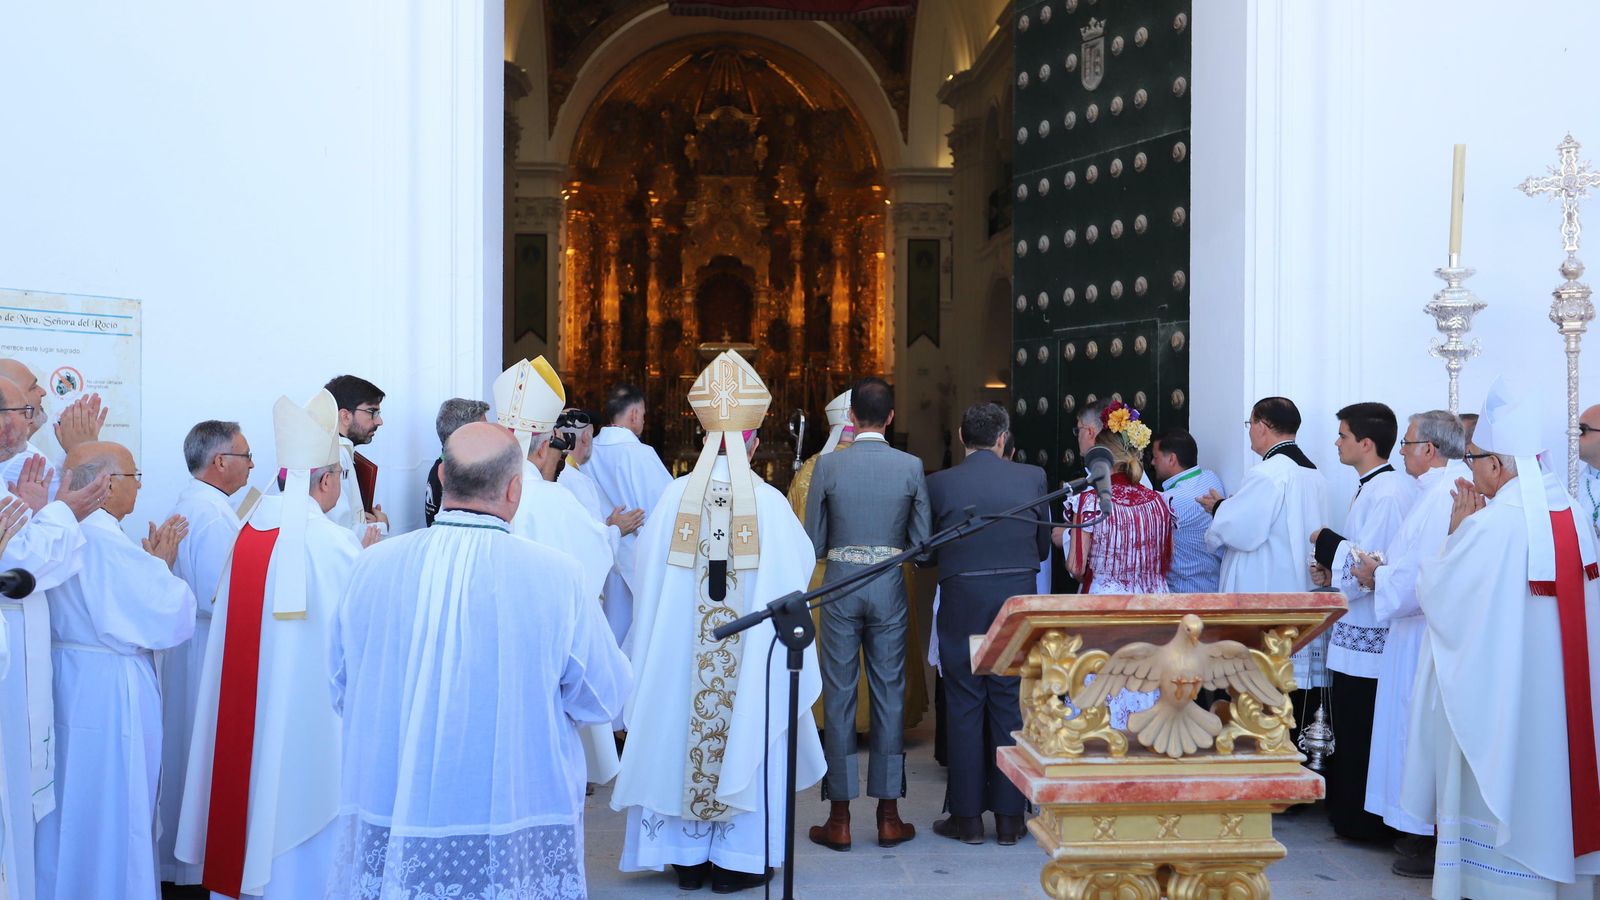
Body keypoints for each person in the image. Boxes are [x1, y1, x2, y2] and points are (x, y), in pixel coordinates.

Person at [328, 422, 629, 896]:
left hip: (398, 801)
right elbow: (602, 698)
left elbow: (341, 685)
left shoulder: (370, 566)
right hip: (513, 809)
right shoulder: (559, 578)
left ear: (444, 479)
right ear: (516, 488)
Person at [612, 352, 822, 893]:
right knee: (749, 721)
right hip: (748, 662)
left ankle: (685, 858)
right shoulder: (772, 505)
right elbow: (799, 570)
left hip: (682, 657)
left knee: (678, 724)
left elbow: (645, 573)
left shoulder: (671, 499)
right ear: (751, 442)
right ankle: (738, 861)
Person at [1402, 379, 1600, 898]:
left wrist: (1456, 532)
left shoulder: (1492, 526)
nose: (1469, 469)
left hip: (1506, 702)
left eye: (1472, 458)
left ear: (1497, 464)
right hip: (1564, 698)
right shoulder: (1575, 517)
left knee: (1506, 775)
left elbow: (1438, 595)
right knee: (1556, 773)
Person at [175, 391, 363, 898]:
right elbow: (362, 632)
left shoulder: (247, 530)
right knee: (305, 799)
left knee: (253, 784)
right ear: (325, 480)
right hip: (313, 716)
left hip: (248, 706)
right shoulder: (333, 543)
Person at [34, 441, 195, 900]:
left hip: (67, 676)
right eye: (134, 476)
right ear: (105, 484)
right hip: (108, 688)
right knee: (113, 798)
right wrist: (162, 568)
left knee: (70, 799)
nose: (141, 486)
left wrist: (150, 568)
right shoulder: (103, 537)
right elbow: (168, 616)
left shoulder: (63, 527)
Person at [804, 377, 929, 852]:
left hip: (839, 586)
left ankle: (838, 819)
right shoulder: (911, 466)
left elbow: (814, 541)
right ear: (892, 417)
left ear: (852, 417)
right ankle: (889, 816)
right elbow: (921, 545)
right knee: (889, 694)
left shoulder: (829, 466)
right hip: (889, 588)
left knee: (838, 695)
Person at [924, 402, 1051, 846]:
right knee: (1007, 703)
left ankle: (967, 819)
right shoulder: (1031, 477)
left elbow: (925, 552)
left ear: (962, 437)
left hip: (962, 601)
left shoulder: (939, 484)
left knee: (962, 705)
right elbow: (1041, 550)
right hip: (1012, 602)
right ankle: (1011, 820)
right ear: (1003, 439)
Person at [0, 379, 108, 900]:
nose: (18, 422)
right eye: (22, 408)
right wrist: (63, 511)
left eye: (24, 410)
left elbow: (40, 563)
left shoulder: (23, 472)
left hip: (23, 645)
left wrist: (49, 511)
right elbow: (22, 569)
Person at [1348, 409, 1468, 877]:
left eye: (1408, 443)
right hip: (1412, 632)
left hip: (1423, 633)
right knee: (1404, 729)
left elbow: (1424, 572)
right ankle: (1413, 826)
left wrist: (1379, 575)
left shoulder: (1444, 495)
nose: (1401, 451)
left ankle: (1422, 830)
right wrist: (1384, 569)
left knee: (1412, 732)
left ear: (1430, 451)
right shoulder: (1432, 491)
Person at [496, 358, 623, 784]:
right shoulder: (554, 501)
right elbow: (591, 559)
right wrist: (613, 534)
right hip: (545, 651)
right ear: (539, 446)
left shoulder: (478, 494)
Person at [1307, 402, 1418, 841]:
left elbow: (1374, 562)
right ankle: (1350, 812)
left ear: (1366, 444)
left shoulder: (1388, 492)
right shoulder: (1370, 487)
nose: (1337, 442)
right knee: (1351, 723)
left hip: (1372, 630)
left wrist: (1326, 544)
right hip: (1357, 628)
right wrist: (1329, 569)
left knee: (1364, 725)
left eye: (1343, 435)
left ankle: (1365, 821)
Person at [157, 419, 254, 887]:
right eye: (246, 455)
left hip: (191, 644)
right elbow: (224, 594)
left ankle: (185, 858)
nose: (253, 464)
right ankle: (196, 863)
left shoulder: (198, 504)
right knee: (202, 751)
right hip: (207, 645)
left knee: (187, 749)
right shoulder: (213, 515)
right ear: (220, 462)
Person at [1202, 397, 1328, 689]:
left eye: (1250, 423)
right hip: (1301, 589)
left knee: (1257, 686)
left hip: (1267, 589)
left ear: (1262, 426)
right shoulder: (1315, 475)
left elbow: (1241, 530)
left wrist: (1219, 508)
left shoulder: (1268, 473)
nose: (1249, 431)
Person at [1063, 406, 1174, 729]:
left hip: (1106, 610)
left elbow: (1076, 567)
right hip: (1153, 607)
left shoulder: (1090, 501)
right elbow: (1165, 559)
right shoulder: (1159, 502)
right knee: (1145, 692)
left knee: (1101, 701)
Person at [584, 382, 673, 650]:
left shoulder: (588, 452)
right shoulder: (641, 455)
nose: (643, 420)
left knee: (608, 633)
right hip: (638, 560)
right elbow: (666, 509)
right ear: (634, 414)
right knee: (637, 639)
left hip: (601, 555)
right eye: (643, 415)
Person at [0, 359, 107, 497]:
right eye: (33, 387)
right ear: (12, 396)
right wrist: (82, 450)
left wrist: (75, 449)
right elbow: (81, 507)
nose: (43, 392)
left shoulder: (21, 455)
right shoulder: (21, 461)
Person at [1149, 428, 1225, 593]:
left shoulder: (1171, 500)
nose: (1152, 463)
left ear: (1171, 459)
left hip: (1184, 593)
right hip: (1214, 586)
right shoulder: (1211, 478)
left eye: (1155, 457)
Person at [323, 374, 388, 536]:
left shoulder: (335, 449)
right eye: (372, 412)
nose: (379, 421)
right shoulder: (334, 456)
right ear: (345, 416)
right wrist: (381, 526)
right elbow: (341, 533)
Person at [424, 397, 488, 526]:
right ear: (465, 437)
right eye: (485, 431)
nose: (491, 436)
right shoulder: (455, 476)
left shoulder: (442, 466)